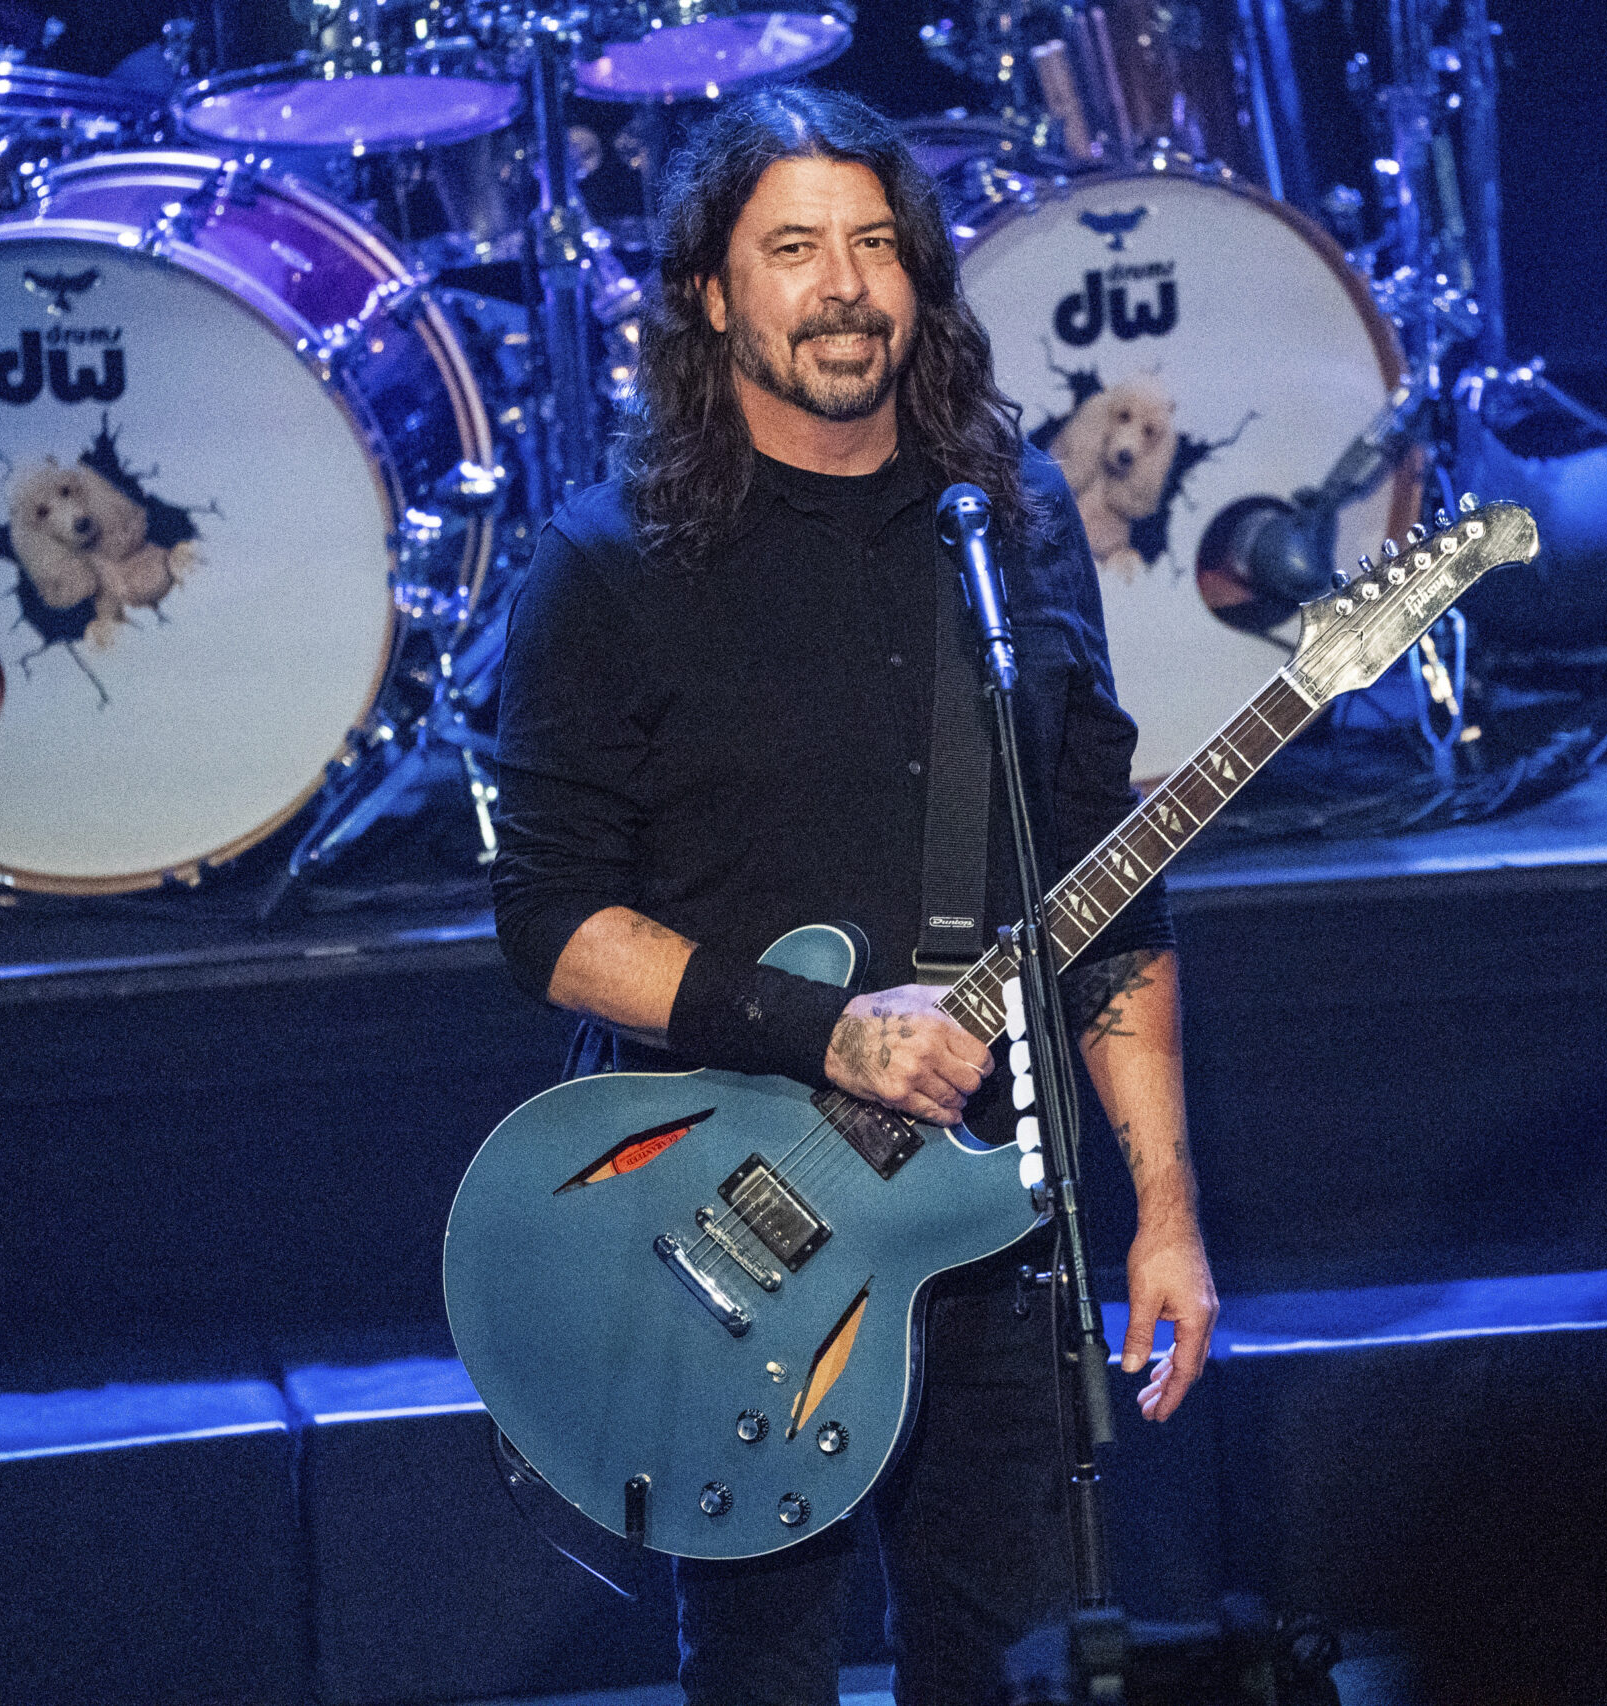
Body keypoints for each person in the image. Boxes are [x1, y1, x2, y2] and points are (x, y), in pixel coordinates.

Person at [488, 85, 1218, 1706]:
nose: (844, 286)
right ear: (710, 293)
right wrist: (831, 1031)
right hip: (737, 1214)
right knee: (760, 1667)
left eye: (876, 243)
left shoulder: (1006, 537)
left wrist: (1164, 1205)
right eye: (795, 247)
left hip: (995, 1221)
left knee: (1006, 1661)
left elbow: (1112, 906)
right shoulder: (607, 566)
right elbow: (550, 921)